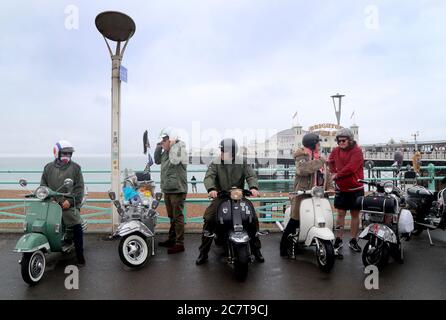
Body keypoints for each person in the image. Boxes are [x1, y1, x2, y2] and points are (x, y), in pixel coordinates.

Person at [195, 138, 264, 265]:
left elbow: (251, 175)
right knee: (209, 218)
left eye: (223, 150)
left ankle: (256, 249)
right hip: (221, 196)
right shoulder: (216, 163)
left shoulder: (242, 161)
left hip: (239, 196)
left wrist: (253, 187)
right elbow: (209, 176)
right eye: (220, 150)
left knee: (252, 218)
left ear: (232, 152)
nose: (221, 153)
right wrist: (211, 189)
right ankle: (203, 252)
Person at [280, 133, 329, 256]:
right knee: (295, 220)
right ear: (312, 144)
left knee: (320, 217)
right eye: (318, 142)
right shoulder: (301, 155)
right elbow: (303, 170)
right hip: (303, 193)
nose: (319, 145)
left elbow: (328, 174)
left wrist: (331, 187)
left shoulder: (318, 157)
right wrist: (321, 161)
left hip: (318, 194)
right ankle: (283, 248)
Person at [40, 140, 85, 266]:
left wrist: (70, 202)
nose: (67, 156)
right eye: (64, 153)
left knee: (77, 225)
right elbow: (43, 185)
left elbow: (79, 188)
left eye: (69, 153)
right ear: (57, 153)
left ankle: (80, 256)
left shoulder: (76, 168)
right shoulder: (48, 168)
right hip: (51, 202)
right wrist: (48, 196)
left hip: (68, 204)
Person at [328, 128, 364, 253]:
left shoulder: (357, 151)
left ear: (350, 140)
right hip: (341, 188)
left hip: (356, 188)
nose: (341, 142)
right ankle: (338, 239)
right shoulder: (335, 150)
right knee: (340, 214)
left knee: (355, 215)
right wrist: (333, 171)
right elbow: (330, 161)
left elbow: (351, 168)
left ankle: (353, 240)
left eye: (344, 140)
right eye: (339, 140)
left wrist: (337, 175)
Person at [154, 128, 188, 254]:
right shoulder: (165, 153)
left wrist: (173, 146)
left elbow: (175, 160)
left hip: (177, 189)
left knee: (178, 216)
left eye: (165, 140)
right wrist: (159, 147)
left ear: (172, 140)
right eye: (162, 140)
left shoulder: (180, 150)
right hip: (167, 188)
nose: (163, 142)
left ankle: (180, 243)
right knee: (171, 216)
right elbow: (157, 160)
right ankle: (172, 239)